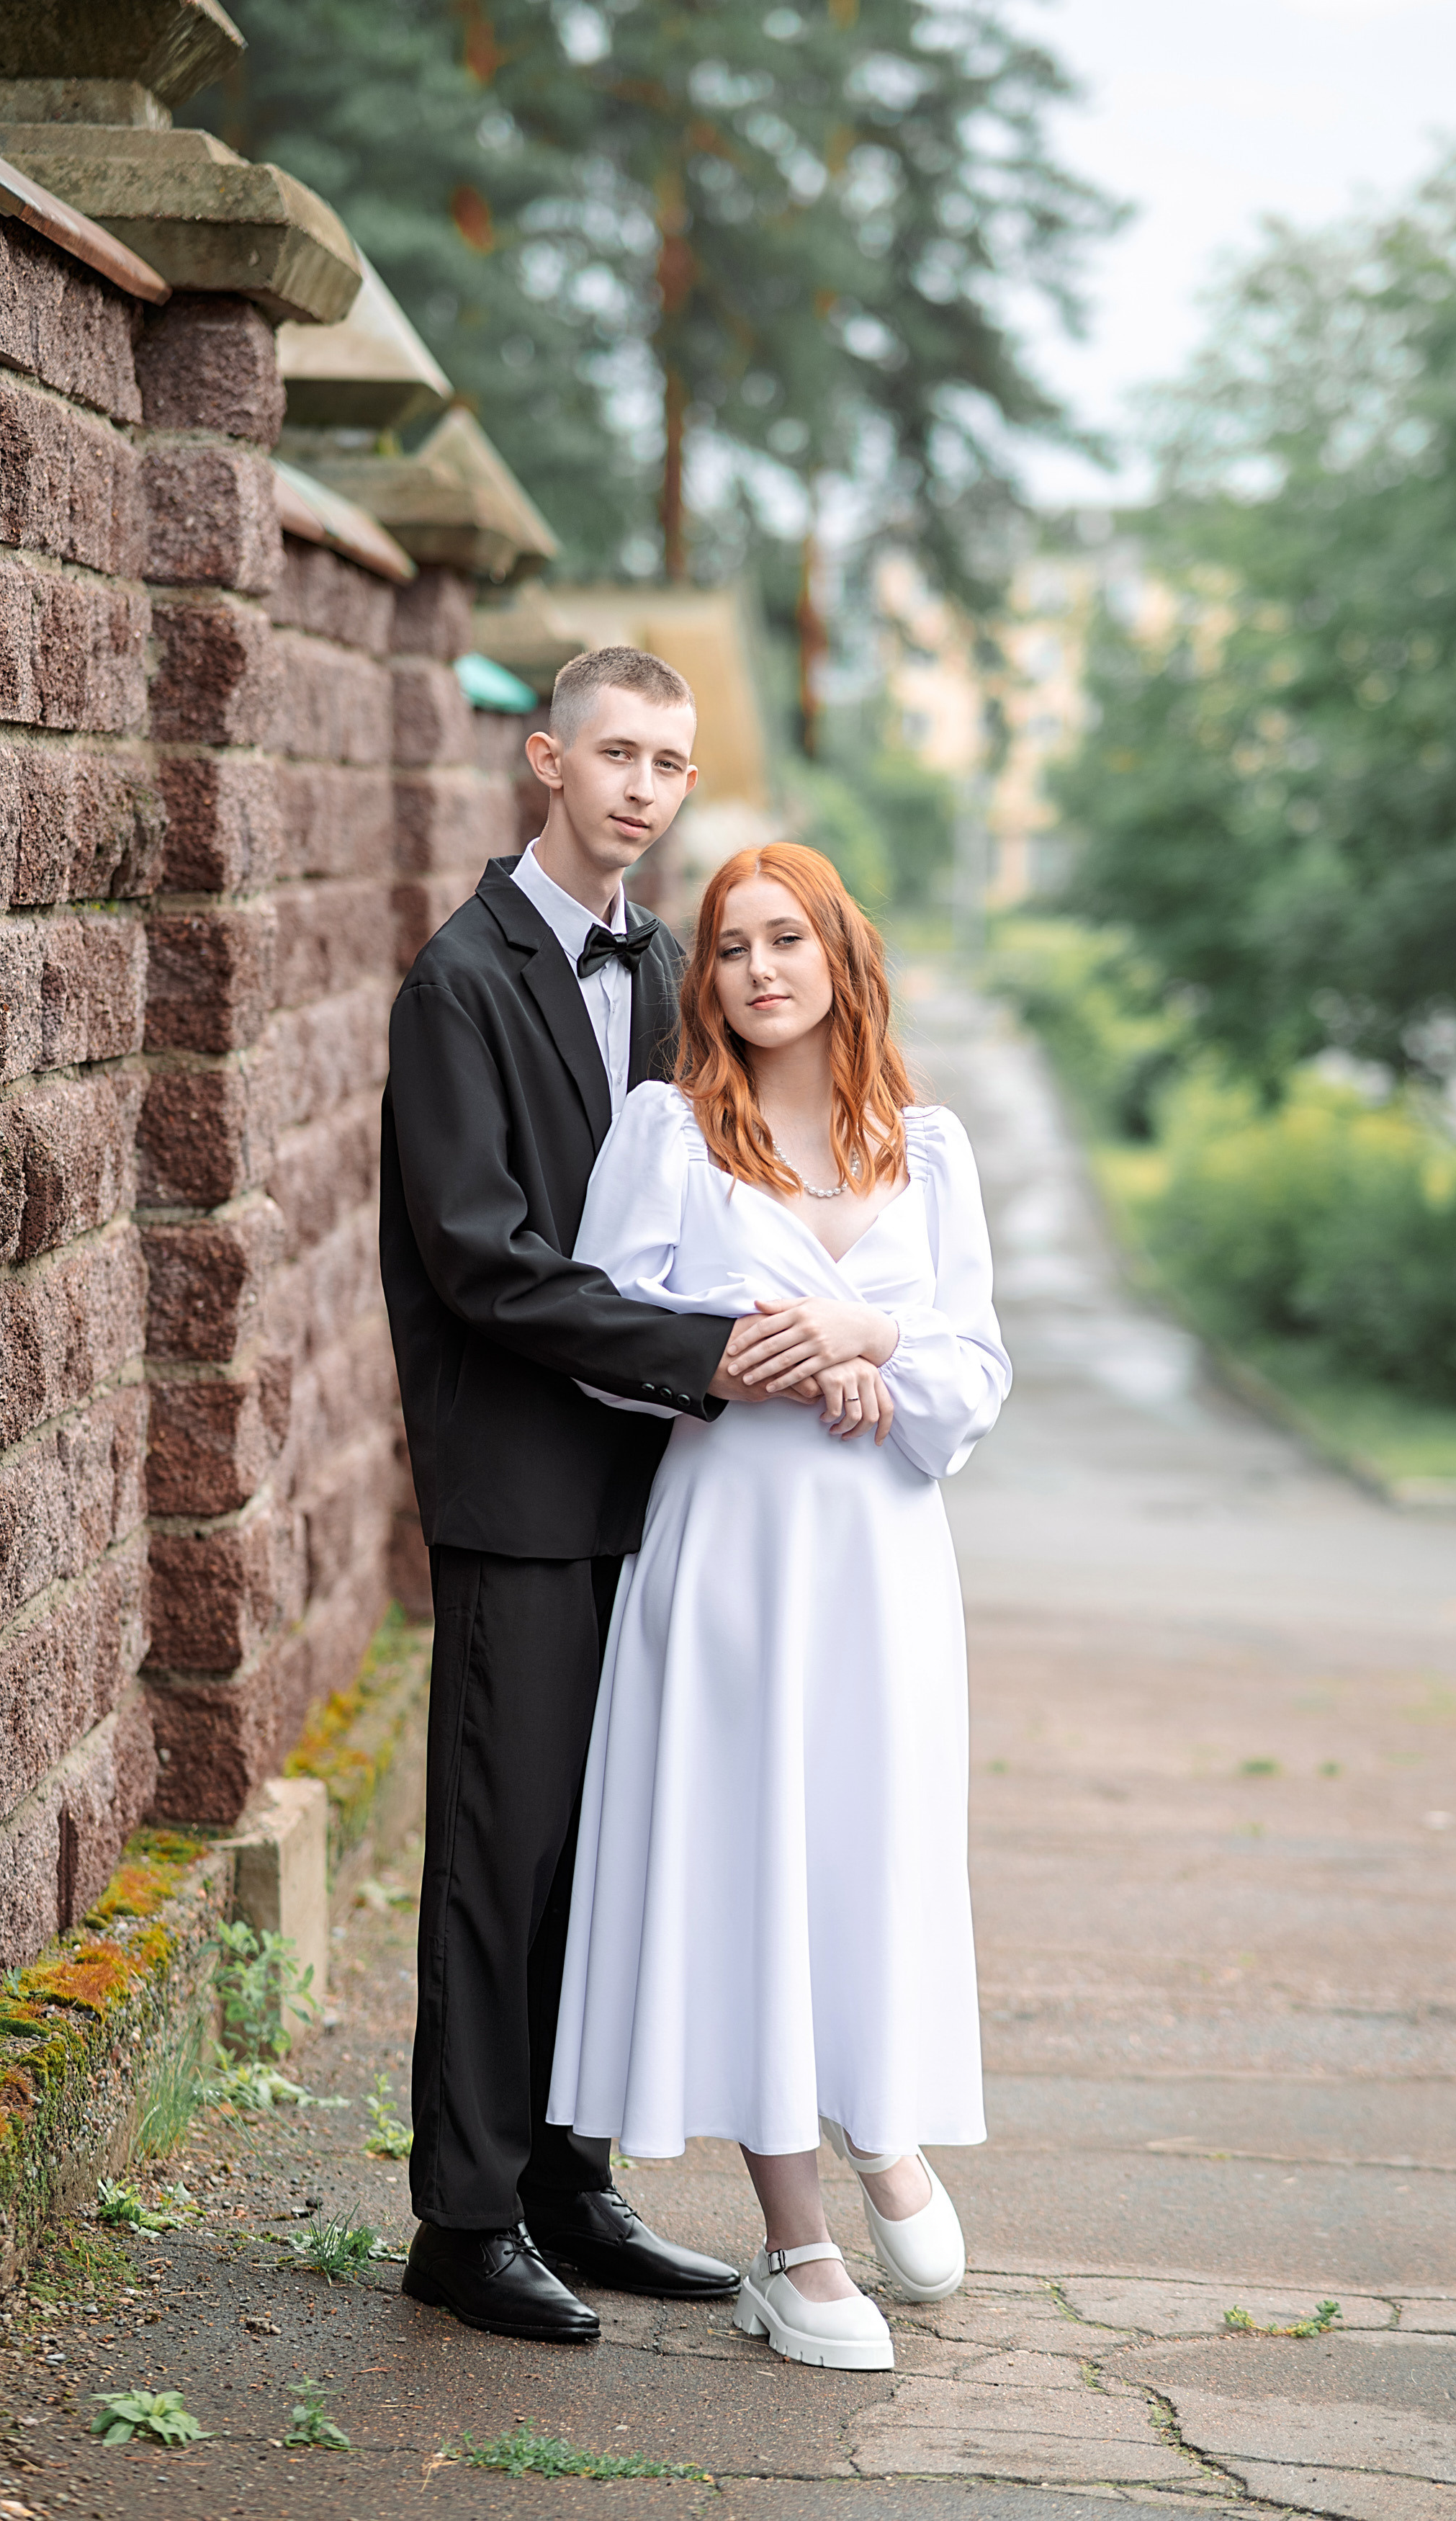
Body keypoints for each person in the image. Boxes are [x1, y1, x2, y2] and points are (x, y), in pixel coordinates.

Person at [547, 842, 1012, 2371]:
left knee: (863, 1851)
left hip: (880, 1560)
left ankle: (884, 2129)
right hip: (735, 1551)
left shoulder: (926, 1147)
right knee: (751, 1861)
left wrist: (874, 1333)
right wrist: (728, 1355)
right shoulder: (668, 1132)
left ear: (836, 956)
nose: (756, 968)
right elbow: (604, 1336)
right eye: (730, 946)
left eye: (783, 939)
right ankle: (795, 2241)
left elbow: (972, 1368)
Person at [381, 647, 784, 2340]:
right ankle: (463, 2220)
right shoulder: (460, 979)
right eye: (613, 751)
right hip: (523, 1482)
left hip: (662, 1485)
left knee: (612, 1851)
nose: (640, 784)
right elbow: (484, 1260)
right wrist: (710, 1345)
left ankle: (569, 2176)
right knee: (504, 1854)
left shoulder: (676, 972)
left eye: (670, 763)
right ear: (546, 757)